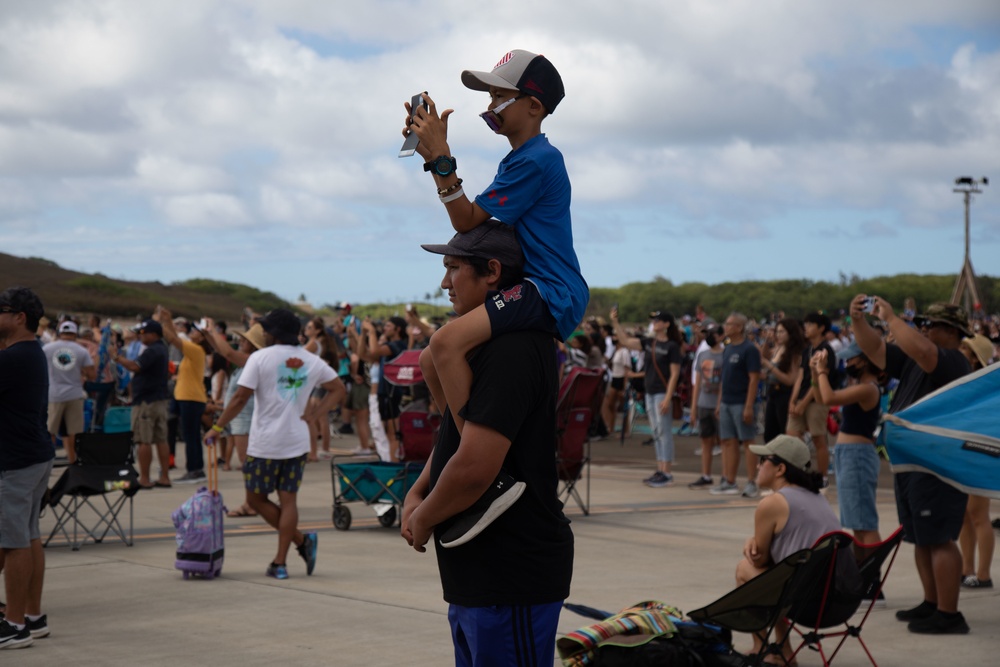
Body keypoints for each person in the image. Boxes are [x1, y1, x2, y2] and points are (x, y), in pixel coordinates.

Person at [402, 221, 573, 667]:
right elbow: (455, 437)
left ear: (492, 272)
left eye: (454, 268)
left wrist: (424, 517)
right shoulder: (476, 349)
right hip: (479, 573)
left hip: (510, 570)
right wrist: (419, 489)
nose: (444, 283)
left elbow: (477, 466)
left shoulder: (512, 350)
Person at [404, 49, 588, 442]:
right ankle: (458, 443)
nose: (489, 106)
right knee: (430, 360)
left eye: (497, 97)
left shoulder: (536, 160)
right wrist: (434, 158)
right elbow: (468, 218)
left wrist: (441, 158)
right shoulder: (520, 160)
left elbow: (465, 219)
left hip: (551, 290)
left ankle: (475, 454)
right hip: (537, 285)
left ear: (534, 105)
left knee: (445, 342)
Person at [853, 297, 971, 635]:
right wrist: (857, 320)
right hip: (912, 463)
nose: (924, 330)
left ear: (951, 331)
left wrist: (891, 317)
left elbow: (925, 352)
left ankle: (949, 614)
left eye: (930, 325)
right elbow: (876, 351)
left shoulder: (952, 360)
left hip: (936, 464)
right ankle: (932, 603)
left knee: (940, 538)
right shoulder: (917, 361)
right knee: (921, 537)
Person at [205, 309, 346, 579]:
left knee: (255, 499)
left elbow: (238, 399)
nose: (264, 333)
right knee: (288, 500)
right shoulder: (311, 360)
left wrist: (216, 427)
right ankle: (289, 554)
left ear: (274, 333)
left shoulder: (259, 358)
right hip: (297, 442)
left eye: (266, 329)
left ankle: (290, 553)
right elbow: (338, 388)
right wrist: (316, 414)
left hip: (265, 443)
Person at [736, 435, 841, 664]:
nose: (757, 464)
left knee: (744, 570)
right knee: (781, 577)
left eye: (763, 460)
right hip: (836, 599)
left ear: (780, 468)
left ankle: (762, 647)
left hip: (804, 604)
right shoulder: (817, 496)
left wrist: (749, 542)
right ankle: (783, 650)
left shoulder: (772, 503)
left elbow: (759, 560)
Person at [0, 287, 54, 649]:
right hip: (33, 455)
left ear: (19, 317)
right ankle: (32, 617)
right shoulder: (30, 354)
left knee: (14, 540)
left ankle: (14, 625)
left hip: (16, 461)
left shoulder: (15, 357)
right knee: (29, 535)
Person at [611, 309, 683, 487]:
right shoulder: (650, 342)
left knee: (664, 432)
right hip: (650, 392)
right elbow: (626, 341)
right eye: (654, 320)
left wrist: (668, 397)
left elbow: (674, 374)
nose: (655, 323)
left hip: (661, 393)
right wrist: (615, 322)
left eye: (658, 320)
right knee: (657, 432)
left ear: (667, 324)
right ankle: (660, 469)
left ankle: (667, 472)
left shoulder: (672, 347)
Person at [112, 319, 172, 489]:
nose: (140, 336)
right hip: (158, 399)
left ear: (153, 334)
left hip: (146, 401)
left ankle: (145, 478)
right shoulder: (162, 348)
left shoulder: (152, 351)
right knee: (161, 439)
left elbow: (134, 366)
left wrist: (117, 358)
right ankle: (165, 477)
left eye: (143, 333)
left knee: (143, 439)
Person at [957, 333, 994, 589]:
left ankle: (983, 574)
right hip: (962, 448)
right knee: (963, 514)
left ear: (974, 358)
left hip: (980, 448)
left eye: (965, 348)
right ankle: (966, 569)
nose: (960, 350)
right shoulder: (963, 381)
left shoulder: (984, 385)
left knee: (979, 514)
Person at [155, 308, 209, 484]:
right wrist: (167, 320)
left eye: (196, 331)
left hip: (191, 398)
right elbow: (174, 337)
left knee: (191, 435)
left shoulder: (196, 350)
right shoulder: (192, 350)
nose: (191, 332)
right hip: (184, 396)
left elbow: (172, 338)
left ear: (202, 338)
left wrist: (161, 322)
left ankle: (195, 469)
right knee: (187, 433)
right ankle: (193, 468)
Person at [712, 313, 762, 497]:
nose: (726, 326)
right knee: (728, 441)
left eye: (730, 324)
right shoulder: (728, 348)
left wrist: (749, 405)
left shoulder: (749, 350)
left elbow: (754, 378)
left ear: (740, 327)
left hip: (742, 402)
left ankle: (751, 482)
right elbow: (724, 379)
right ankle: (729, 480)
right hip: (727, 401)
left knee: (748, 441)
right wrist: (719, 403)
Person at [788, 311, 837, 487]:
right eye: (805, 324)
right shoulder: (807, 349)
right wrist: (793, 400)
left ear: (821, 328)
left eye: (810, 325)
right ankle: (802, 472)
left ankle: (822, 478)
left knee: (818, 439)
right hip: (801, 398)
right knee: (792, 435)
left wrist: (803, 402)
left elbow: (818, 380)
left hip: (817, 400)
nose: (805, 328)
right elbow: (800, 377)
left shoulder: (826, 350)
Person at [42, 320, 96, 464]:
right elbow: (92, 375)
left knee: (50, 431)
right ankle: (73, 461)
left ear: (60, 333)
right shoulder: (81, 350)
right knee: (73, 432)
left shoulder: (47, 348)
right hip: (74, 394)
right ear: (75, 334)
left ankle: (47, 461)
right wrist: (82, 372)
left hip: (53, 394)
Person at [689, 323, 724, 489]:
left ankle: (726, 476)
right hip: (704, 402)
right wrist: (693, 408)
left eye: (713, 333)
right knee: (705, 441)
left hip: (719, 404)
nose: (709, 336)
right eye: (707, 333)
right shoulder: (702, 355)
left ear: (721, 336)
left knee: (725, 442)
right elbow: (698, 383)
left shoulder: (725, 355)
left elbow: (724, 382)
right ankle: (705, 475)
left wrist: (719, 404)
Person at [758, 318, 804, 444]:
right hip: (772, 392)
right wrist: (767, 341)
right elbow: (763, 356)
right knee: (769, 434)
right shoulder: (779, 348)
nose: (778, 334)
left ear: (790, 333)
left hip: (784, 394)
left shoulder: (794, 352)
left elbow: (790, 380)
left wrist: (769, 366)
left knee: (784, 432)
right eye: (777, 331)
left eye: (782, 332)